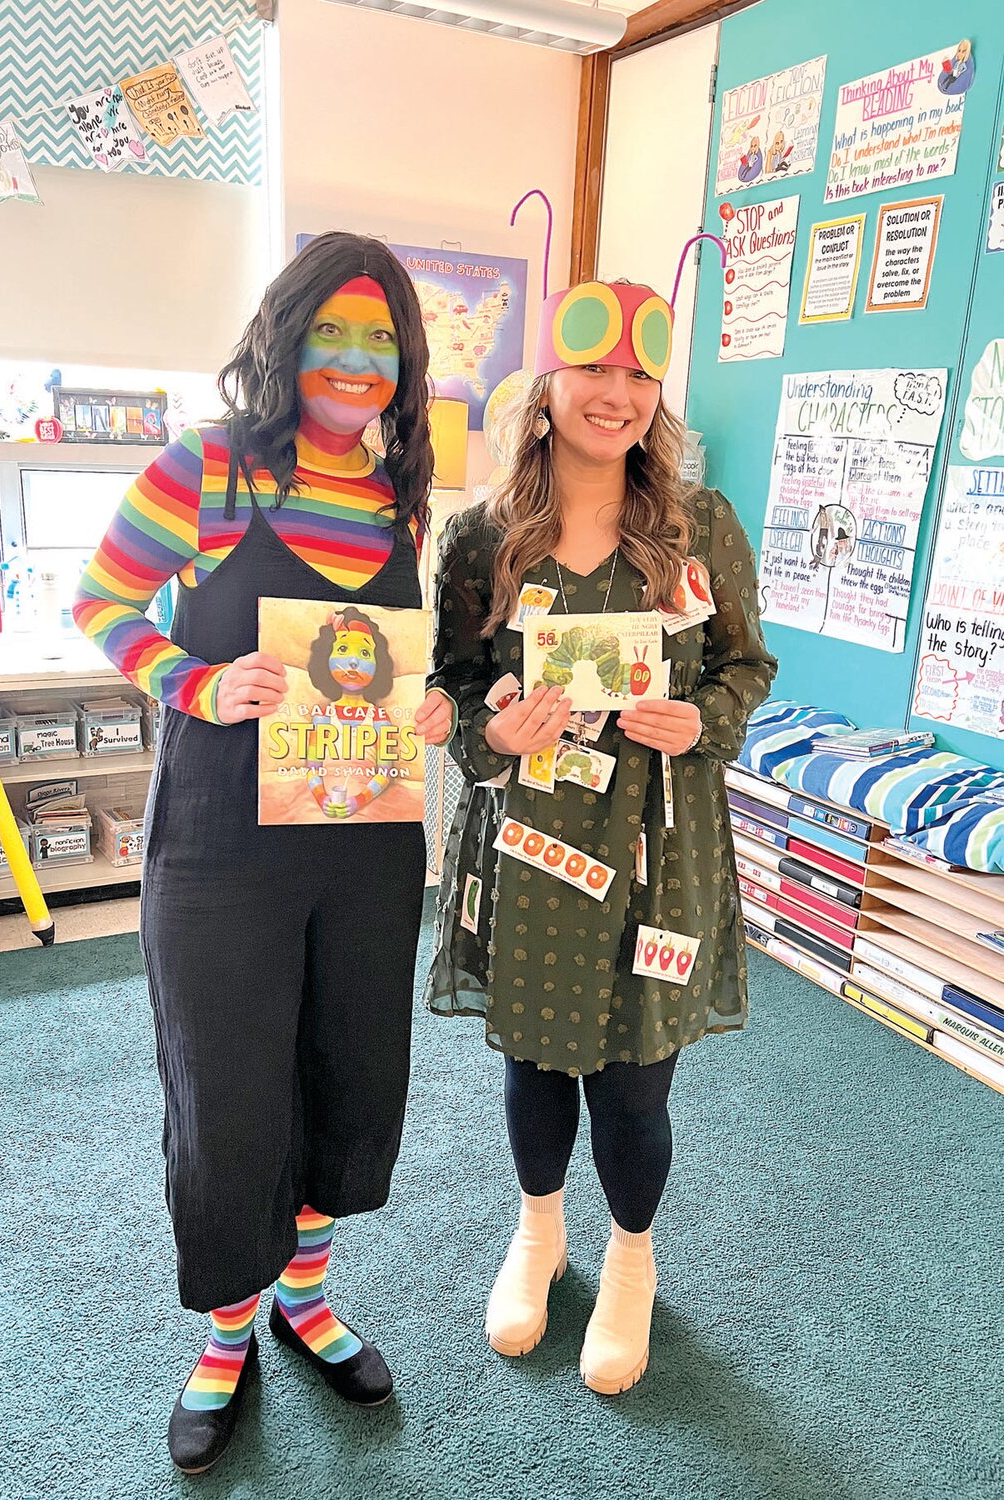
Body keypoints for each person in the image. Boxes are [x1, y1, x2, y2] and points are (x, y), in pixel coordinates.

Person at [74, 231, 453, 1473]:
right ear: (288, 340)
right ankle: (230, 1330)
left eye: (379, 338)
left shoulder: (402, 492)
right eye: (332, 332)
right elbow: (102, 603)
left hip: (363, 844)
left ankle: (305, 1298)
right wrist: (191, 678)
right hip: (222, 847)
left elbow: (394, 663)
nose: (355, 360)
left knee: (347, 1070)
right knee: (229, 1087)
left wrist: (437, 701)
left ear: (402, 362)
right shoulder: (210, 468)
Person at [426, 274, 777, 1395]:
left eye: (637, 374)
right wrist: (498, 731)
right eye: (593, 371)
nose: (614, 395)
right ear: (547, 387)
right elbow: (456, 687)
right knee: (534, 1058)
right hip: (531, 842)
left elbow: (744, 665)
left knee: (634, 1080)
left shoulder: (697, 528)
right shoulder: (485, 539)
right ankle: (539, 1232)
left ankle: (631, 1255)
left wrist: (701, 721)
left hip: (659, 845)